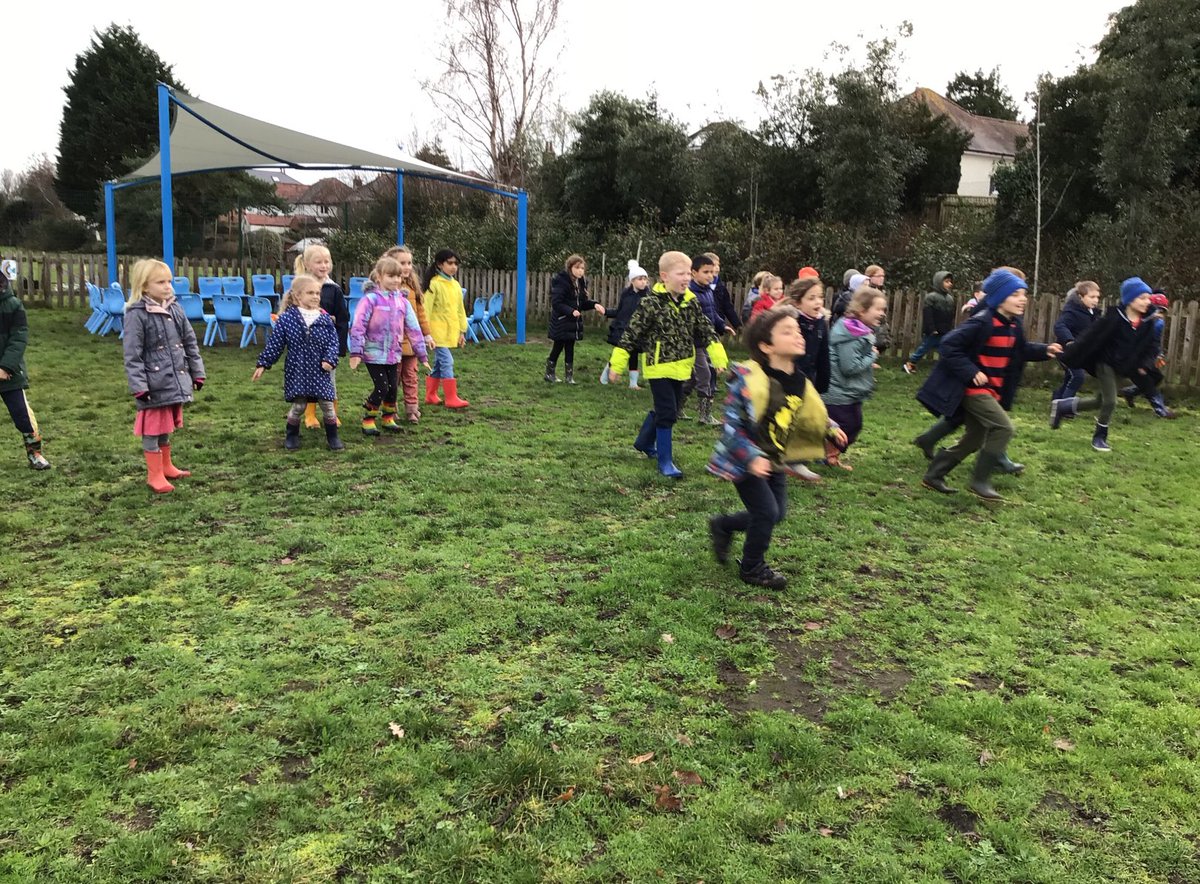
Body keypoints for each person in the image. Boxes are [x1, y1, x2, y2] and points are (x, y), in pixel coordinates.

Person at [708, 306, 847, 589]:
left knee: (776, 514)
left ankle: (723, 525)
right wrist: (751, 457)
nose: (797, 335)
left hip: (775, 457)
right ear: (766, 345)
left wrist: (830, 427)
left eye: (797, 330)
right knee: (766, 512)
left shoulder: (799, 379)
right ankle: (752, 568)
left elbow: (809, 411)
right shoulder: (747, 378)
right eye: (787, 331)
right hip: (743, 458)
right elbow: (731, 426)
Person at [918, 269, 1060, 500]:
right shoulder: (983, 321)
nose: (1023, 299)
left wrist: (1045, 350)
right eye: (1015, 294)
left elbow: (1020, 351)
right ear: (999, 296)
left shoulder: (1012, 325)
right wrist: (971, 371)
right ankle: (980, 481)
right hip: (973, 390)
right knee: (1004, 428)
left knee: (975, 437)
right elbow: (948, 345)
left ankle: (934, 475)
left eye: (1024, 294)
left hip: (992, 390)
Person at [607, 251, 729, 479]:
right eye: (680, 273)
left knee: (667, 408)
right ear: (664, 276)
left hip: (682, 367)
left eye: (687, 274)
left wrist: (718, 357)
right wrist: (617, 365)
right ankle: (665, 461)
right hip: (658, 367)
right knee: (668, 413)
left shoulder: (691, 302)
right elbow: (631, 334)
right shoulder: (650, 304)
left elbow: (705, 329)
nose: (686, 278)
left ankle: (643, 442)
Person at [122, 259, 206, 493]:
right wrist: (139, 385)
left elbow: (189, 342)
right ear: (145, 286)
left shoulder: (175, 309)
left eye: (169, 281)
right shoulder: (136, 315)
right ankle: (154, 474)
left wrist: (197, 372)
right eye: (161, 282)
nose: (168, 286)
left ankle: (167, 465)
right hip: (152, 385)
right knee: (152, 430)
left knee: (165, 426)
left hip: (174, 380)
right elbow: (132, 354)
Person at [1051, 276, 1161, 451]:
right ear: (1130, 300)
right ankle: (1099, 437)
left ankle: (1063, 406)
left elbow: (1152, 347)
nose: (1147, 302)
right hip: (1105, 363)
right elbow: (1091, 336)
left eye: (1148, 297)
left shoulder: (1148, 323)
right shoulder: (1114, 318)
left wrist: (1145, 364)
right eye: (1142, 298)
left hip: (1123, 367)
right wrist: (1070, 352)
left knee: (1099, 401)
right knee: (1111, 402)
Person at [252, 274, 343, 451]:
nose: (316, 296)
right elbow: (275, 344)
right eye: (311, 293)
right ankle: (292, 435)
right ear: (297, 296)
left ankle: (333, 437)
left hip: (320, 371)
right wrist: (264, 363)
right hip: (298, 369)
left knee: (327, 404)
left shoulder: (325, 320)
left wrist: (330, 360)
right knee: (299, 405)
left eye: (318, 293)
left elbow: (334, 343)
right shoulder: (287, 319)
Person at [349, 256, 431, 435]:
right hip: (373, 353)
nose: (395, 280)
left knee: (393, 388)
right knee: (382, 387)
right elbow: (358, 326)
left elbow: (414, 328)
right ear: (379, 276)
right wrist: (356, 352)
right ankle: (368, 418)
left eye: (398, 276)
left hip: (393, 354)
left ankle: (388, 418)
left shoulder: (402, 302)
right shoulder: (370, 300)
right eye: (390, 276)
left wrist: (422, 354)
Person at [822, 285, 887, 470]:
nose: (882, 314)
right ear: (862, 310)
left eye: (883, 309)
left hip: (847, 390)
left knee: (851, 425)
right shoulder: (851, 333)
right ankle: (825, 454)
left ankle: (828, 455)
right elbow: (849, 367)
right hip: (838, 391)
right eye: (878, 309)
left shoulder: (858, 330)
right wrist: (872, 356)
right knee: (849, 426)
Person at [0, 261, 49, 470]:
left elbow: (18, 338)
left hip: (9, 374)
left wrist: (6, 367)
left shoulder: (13, 305)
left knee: (23, 415)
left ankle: (35, 453)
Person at [294, 244, 348, 429]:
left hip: (327, 346)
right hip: (306, 345)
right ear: (308, 264)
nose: (324, 265)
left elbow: (342, 318)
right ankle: (310, 415)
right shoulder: (300, 287)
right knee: (308, 379)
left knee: (329, 380)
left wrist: (340, 346)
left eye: (327, 261)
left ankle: (332, 413)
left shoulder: (334, 289)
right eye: (319, 262)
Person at [384, 246, 436, 423]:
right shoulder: (385, 289)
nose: (406, 267)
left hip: (412, 342)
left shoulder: (412, 287)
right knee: (393, 379)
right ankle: (391, 409)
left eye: (409, 263)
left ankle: (412, 409)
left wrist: (427, 334)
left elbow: (421, 313)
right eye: (402, 263)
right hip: (392, 344)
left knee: (411, 377)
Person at [546, 254, 605, 384]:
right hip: (562, 320)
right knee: (558, 346)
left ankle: (569, 377)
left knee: (570, 347)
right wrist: (571, 311)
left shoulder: (581, 283)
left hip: (573, 322)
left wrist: (595, 305)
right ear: (570, 267)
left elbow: (582, 303)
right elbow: (557, 303)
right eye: (577, 268)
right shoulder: (562, 282)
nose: (580, 271)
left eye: (582, 268)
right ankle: (549, 372)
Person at [422, 249, 470, 408]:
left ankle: (430, 395)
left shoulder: (455, 285)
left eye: (456, 263)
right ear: (439, 264)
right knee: (447, 361)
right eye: (450, 263)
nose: (453, 266)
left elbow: (460, 309)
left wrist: (462, 330)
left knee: (439, 364)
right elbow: (425, 310)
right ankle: (451, 398)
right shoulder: (433, 284)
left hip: (451, 332)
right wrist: (426, 333)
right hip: (436, 334)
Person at [681, 254, 726, 425]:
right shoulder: (690, 293)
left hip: (705, 341)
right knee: (706, 375)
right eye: (706, 272)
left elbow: (712, 313)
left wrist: (721, 325)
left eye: (712, 272)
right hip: (695, 342)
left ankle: (677, 408)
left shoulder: (707, 291)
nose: (710, 275)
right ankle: (705, 415)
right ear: (693, 273)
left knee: (692, 377)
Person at [1120, 292, 1176, 418]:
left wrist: (1158, 354)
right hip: (1133, 360)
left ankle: (1130, 392)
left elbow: (1153, 344)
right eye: (1157, 310)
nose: (1159, 314)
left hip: (1145, 359)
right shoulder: (1140, 323)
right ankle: (1161, 410)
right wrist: (1142, 365)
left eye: (1162, 311)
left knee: (1157, 377)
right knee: (1147, 383)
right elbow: (1136, 345)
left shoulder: (1157, 324)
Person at [600, 260, 649, 389]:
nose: (643, 282)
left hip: (638, 331)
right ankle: (606, 375)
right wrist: (606, 312)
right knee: (620, 354)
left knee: (634, 355)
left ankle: (633, 383)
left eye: (645, 279)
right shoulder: (626, 295)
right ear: (632, 281)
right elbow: (619, 311)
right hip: (623, 329)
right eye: (640, 279)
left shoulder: (648, 297)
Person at [1051, 281, 1101, 402]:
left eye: (1097, 297)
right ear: (1080, 297)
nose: (1095, 300)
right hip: (1066, 351)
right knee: (1077, 377)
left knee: (1071, 377)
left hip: (1080, 353)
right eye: (1092, 297)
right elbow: (1060, 326)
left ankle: (1057, 398)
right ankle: (1064, 405)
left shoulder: (1092, 313)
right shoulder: (1072, 311)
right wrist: (1069, 341)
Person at [903, 271, 955, 374]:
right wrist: (931, 328)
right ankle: (910, 363)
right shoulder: (931, 297)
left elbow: (950, 316)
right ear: (939, 282)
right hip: (934, 331)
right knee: (924, 347)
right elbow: (928, 314)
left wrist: (950, 328)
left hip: (945, 330)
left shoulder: (950, 298)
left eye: (950, 282)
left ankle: (947, 367)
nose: (950, 284)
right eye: (947, 281)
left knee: (946, 349)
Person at [786, 275, 831, 394]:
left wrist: (822, 386)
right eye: (811, 298)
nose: (818, 302)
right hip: (789, 381)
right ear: (798, 303)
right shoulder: (791, 323)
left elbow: (824, 356)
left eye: (821, 297)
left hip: (810, 383)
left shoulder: (821, 323)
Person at [704, 252, 742, 334]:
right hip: (704, 327)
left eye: (718, 265)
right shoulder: (700, 286)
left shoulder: (720, 286)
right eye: (714, 265)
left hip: (717, 326)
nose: (717, 268)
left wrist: (737, 324)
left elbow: (727, 306)